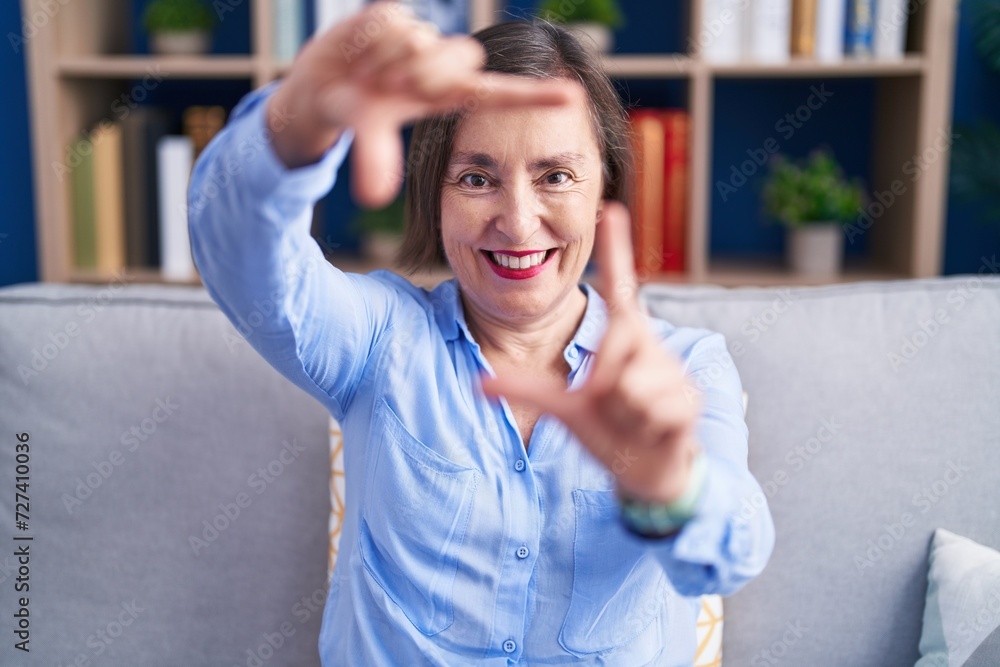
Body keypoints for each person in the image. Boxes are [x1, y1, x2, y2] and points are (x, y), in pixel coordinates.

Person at [188, 3, 775, 664]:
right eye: (477, 178)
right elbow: (242, 253)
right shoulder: (379, 340)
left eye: (555, 176)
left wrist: (670, 481)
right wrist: (302, 114)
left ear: (603, 185)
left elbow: (734, 552)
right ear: (434, 194)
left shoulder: (685, 365)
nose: (518, 225)